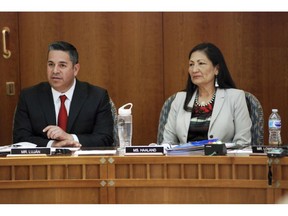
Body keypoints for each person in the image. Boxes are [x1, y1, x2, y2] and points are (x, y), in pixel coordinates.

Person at [13, 41, 114, 148]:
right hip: (44, 163)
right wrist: (52, 144)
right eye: (51, 64)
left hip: (83, 162)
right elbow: (20, 138)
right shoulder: (29, 97)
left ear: (75, 69)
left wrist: (70, 138)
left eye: (62, 65)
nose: (55, 71)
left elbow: (105, 138)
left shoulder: (97, 96)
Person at [163, 42, 252, 146]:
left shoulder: (235, 97)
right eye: (191, 64)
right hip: (185, 161)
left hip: (222, 160)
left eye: (201, 63)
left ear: (216, 69)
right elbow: (167, 143)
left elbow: (243, 143)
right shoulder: (179, 99)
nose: (194, 69)